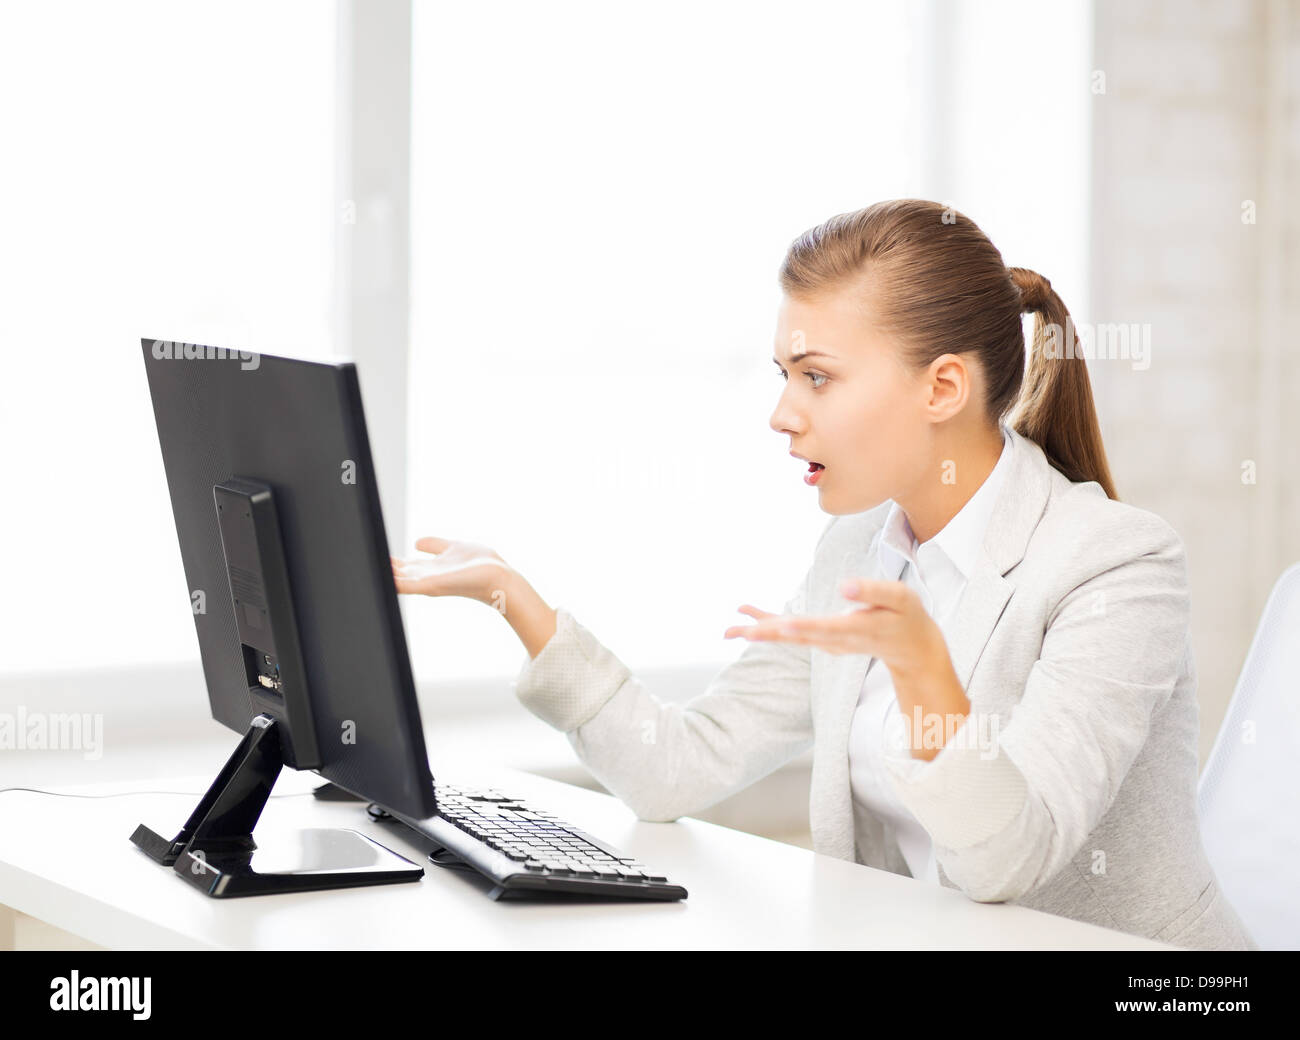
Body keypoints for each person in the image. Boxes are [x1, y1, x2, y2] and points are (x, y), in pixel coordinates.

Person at [391, 199, 1256, 950]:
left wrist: (924, 676)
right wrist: (519, 601)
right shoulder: (858, 548)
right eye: (783, 375)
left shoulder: (1117, 565)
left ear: (944, 387)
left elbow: (1009, 859)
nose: (780, 413)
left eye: (817, 377)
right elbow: (677, 769)